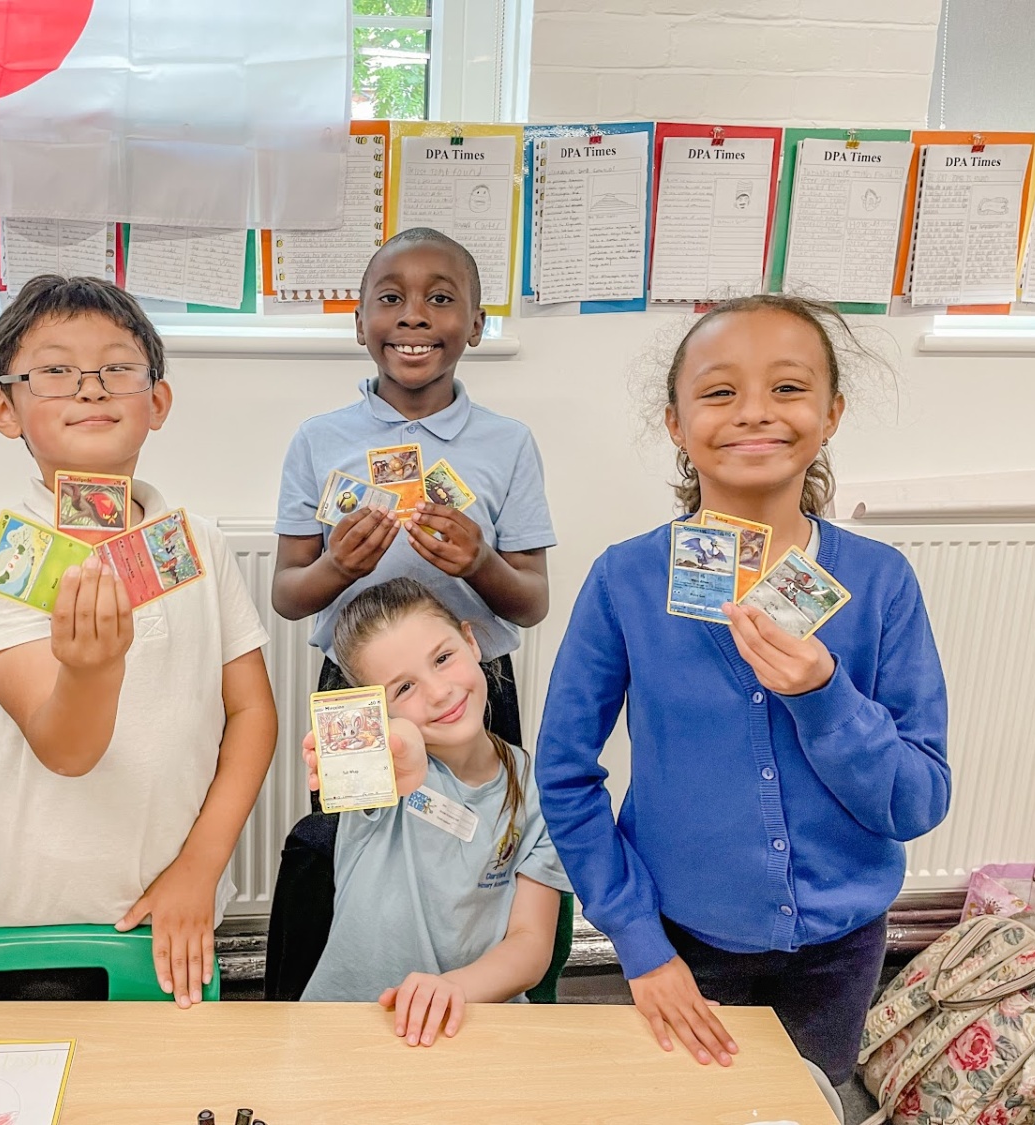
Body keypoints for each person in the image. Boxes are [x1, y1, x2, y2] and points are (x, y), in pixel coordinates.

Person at [536, 295, 950, 1087]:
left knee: (803, 1102)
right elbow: (564, 774)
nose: (754, 412)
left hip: (841, 950)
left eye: (788, 388)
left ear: (831, 414)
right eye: (720, 392)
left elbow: (918, 799)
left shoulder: (881, 582)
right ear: (676, 422)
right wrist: (640, 944)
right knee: (690, 1107)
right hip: (682, 944)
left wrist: (824, 692)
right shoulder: (626, 579)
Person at [0, 274, 278, 1007]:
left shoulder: (197, 542)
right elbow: (66, 748)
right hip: (40, 921)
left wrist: (199, 865)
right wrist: (91, 670)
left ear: (156, 400)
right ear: (6, 408)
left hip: (179, 915)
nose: (90, 388)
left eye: (117, 368)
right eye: (56, 371)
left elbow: (253, 714)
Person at [266, 228, 555, 998]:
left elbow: (531, 599)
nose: (414, 316)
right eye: (389, 299)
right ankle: (354, 1003)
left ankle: (478, 992)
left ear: (478, 324)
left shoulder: (507, 444)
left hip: (471, 684)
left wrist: (480, 563)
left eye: (440, 298)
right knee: (363, 857)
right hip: (361, 693)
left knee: (487, 857)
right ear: (360, 322)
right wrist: (337, 567)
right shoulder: (320, 440)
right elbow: (288, 594)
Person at [300, 578, 569, 1046]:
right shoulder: (379, 770)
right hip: (352, 1028)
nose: (440, 693)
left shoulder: (538, 786)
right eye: (403, 688)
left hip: (472, 1025)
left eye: (443, 659)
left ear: (470, 641)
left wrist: (452, 991)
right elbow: (394, 750)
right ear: (374, 712)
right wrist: (398, 746)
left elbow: (531, 945)